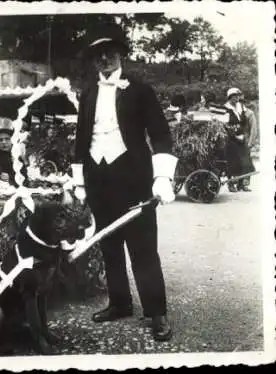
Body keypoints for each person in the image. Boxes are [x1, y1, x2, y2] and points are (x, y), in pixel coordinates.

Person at [71, 25, 177, 342]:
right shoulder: (87, 94)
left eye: (110, 53)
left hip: (134, 179)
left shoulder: (141, 90)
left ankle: (156, 312)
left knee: (143, 248)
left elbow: (160, 134)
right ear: (93, 62)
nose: (104, 59)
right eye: (98, 55)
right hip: (98, 179)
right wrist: (78, 182)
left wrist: (162, 177)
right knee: (109, 245)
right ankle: (119, 303)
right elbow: (81, 140)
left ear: (121, 56)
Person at [223, 88, 256, 192]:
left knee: (245, 161)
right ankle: (231, 183)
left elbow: (244, 120)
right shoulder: (225, 108)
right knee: (232, 161)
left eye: (238, 96)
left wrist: (243, 135)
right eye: (234, 96)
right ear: (230, 97)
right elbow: (225, 125)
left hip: (241, 137)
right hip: (231, 138)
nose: (236, 98)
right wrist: (235, 136)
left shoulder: (240, 107)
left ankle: (242, 184)